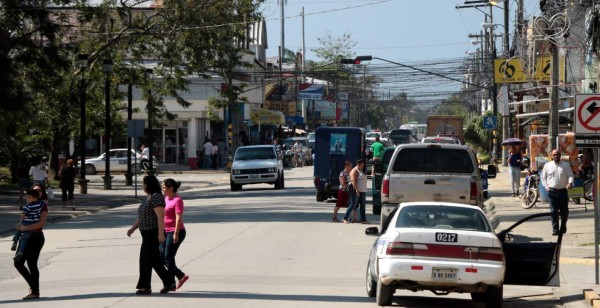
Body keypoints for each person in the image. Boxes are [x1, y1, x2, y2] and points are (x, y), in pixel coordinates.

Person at [126, 175, 175, 295]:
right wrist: (132, 229)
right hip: (146, 233)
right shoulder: (148, 198)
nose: (143, 186)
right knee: (154, 260)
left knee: (145, 259)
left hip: (153, 233)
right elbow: (142, 217)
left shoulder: (156, 197)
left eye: (144, 183)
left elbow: (160, 216)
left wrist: (160, 233)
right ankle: (169, 282)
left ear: (149, 184)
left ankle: (145, 286)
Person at [13, 186, 48, 300]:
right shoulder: (29, 205)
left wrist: (26, 228)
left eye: (39, 190)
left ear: (41, 193)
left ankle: (35, 291)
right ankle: (33, 288)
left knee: (32, 264)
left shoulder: (42, 206)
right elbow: (22, 217)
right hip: (25, 236)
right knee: (18, 263)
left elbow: (41, 223)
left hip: (36, 237)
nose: (38, 191)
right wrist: (20, 225)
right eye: (35, 189)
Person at [160, 179, 189, 290]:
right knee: (161, 257)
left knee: (168, 256)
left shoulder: (178, 200)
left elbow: (178, 218)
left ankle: (171, 282)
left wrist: (176, 233)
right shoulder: (166, 198)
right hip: (165, 231)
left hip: (176, 231)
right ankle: (181, 276)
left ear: (171, 188)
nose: (162, 189)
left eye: (164, 187)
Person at [540, 149, 574, 235]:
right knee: (553, 211)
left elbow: (570, 175)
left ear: (560, 155)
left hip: (563, 191)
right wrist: (547, 187)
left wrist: (569, 183)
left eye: (558, 155)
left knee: (564, 211)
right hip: (552, 192)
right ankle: (555, 229)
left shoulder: (565, 165)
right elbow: (543, 178)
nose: (556, 156)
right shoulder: (547, 165)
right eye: (554, 155)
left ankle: (563, 226)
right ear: (551, 156)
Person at [12, 189, 44, 262]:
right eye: (26, 198)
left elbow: (23, 214)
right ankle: (20, 252)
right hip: (33, 224)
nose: (27, 199)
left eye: (29, 198)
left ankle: (14, 242)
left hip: (26, 222)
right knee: (24, 239)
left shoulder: (28, 206)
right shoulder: (41, 203)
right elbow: (44, 203)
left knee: (18, 231)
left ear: (35, 198)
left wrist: (20, 222)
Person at [343, 159, 370, 224]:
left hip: (362, 190)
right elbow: (353, 181)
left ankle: (363, 220)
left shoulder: (361, 170)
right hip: (356, 190)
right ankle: (345, 218)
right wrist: (357, 190)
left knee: (363, 206)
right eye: (361, 165)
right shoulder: (354, 171)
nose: (363, 166)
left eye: (363, 165)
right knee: (353, 204)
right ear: (358, 164)